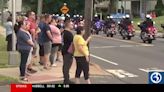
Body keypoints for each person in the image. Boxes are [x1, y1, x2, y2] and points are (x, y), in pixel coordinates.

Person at [62, 18, 74, 84]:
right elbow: (72, 43)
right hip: (67, 51)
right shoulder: (68, 33)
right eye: (71, 24)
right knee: (67, 65)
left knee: (66, 65)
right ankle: (66, 80)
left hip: (65, 50)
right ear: (68, 24)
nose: (73, 25)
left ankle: (66, 78)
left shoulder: (64, 32)